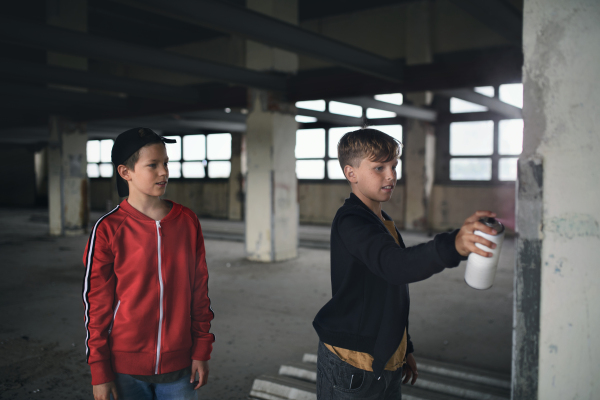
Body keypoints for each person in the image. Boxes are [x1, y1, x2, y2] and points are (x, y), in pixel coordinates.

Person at [312, 128, 498, 399]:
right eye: (379, 167)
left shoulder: (381, 220)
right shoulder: (351, 222)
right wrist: (453, 245)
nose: (391, 175)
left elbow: (392, 290)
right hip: (352, 363)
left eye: (393, 166)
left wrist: (403, 347)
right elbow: (396, 266)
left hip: (385, 354)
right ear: (351, 174)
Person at [82, 128, 214, 400]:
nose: (164, 172)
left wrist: (202, 349)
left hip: (180, 369)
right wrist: (99, 371)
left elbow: (199, 292)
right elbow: (97, 305)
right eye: (152, 165)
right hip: (125, 370)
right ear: (125, 172)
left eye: (165, 163)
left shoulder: (187, 222)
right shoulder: (108, 229)